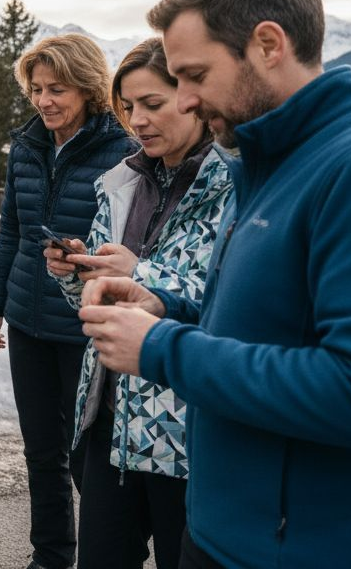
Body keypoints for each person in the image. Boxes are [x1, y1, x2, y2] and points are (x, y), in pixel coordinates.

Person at [77, 0, 351, 569]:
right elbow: (276, 323)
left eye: (195, 75)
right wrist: (171, 306)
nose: (186, 101)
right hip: (226, 537)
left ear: (268, 45)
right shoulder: (264, 168)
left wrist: (164, 347)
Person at [47, 38, 232, 569]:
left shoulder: (234, 188)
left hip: (186, 432)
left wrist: (138, 272)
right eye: (128, 107)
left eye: (153, 103)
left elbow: (232, 300)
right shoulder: (121, 182)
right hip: (110, 420)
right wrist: (79, 272)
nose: (138, 120)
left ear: (193, 97)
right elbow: (103, 296)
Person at [0, 34, 136, 569]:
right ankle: (49, 556)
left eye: (58, 89)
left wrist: (87, 259)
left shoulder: (124, 148)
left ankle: (105, 554)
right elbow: (11, 234)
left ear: (89, 89)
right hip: (28, 319)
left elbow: (133, 240)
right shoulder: (27, 145)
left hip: (86, 325)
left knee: (84, 459)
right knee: (40, 451)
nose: (45, 100)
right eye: (37, 89)